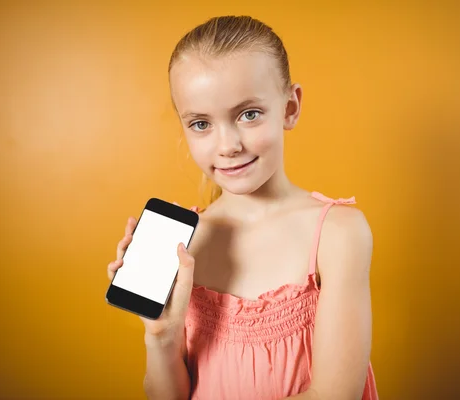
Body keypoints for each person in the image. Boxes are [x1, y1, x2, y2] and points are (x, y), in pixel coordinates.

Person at [107, 15, 379, 400]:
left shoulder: (338, 233)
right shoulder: (186, 245)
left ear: (289, 107)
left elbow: (335, 395)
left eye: (248, 114)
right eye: (201, 123)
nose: (228, 144)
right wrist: (161, 335)